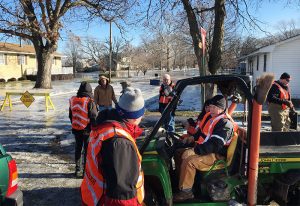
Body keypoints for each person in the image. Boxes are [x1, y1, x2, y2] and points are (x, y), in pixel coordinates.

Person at [81, 87, 145, 206]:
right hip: (104, 200)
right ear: (136, 117)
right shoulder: (120, 143)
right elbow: (121, 195)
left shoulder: (106, 127)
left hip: (94, 197)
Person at [173, 95, 234, 201]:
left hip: (217, 155)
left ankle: (186, 192)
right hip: (206, 150)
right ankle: (182, 181)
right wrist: (192, 138)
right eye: (211, 106)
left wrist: (194, 151)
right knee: (178, 152)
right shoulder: (212, 118)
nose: (211, 109)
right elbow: (202, 133)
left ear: (222, 108)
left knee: (189, 161)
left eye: (215, 107)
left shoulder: (225, 123)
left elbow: (215, 145)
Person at [69, 81, 98, 177]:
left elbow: (71, 115)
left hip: (76, 128)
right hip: (86, 130)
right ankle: (86, 171)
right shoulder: (89, 101)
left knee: (78, 149)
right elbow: (93, 116)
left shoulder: (73, 100)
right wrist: (94, 128)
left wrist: (74, 124)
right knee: (87, 150)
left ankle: (77, 170)